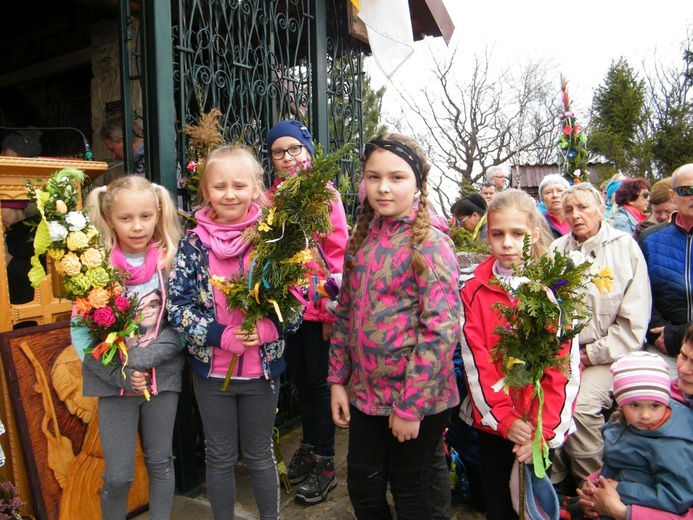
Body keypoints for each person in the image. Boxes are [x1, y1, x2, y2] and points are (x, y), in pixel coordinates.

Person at [328, 133, 461, 519]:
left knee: (411, 491)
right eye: (373, 177)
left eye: (397, 177)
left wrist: (410, 407)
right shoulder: (361, 241)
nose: (383, 187)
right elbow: (345, 313)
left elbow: (440, 331)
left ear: (418, 183)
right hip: (367, 396)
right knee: (363, 487)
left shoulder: (431, 245)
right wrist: (338, 380)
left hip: (415, 400)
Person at [167, 145, 293, 520]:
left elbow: (298, 302)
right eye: (219, 186)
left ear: (256, 189)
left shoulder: (273, 241)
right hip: (213, 374)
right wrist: (219, 335)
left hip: (261, 373)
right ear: (205, 192)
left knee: (259, 454)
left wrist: (270, 327)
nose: (230, 193)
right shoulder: (192, 246)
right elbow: (178, 306)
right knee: (219, 456)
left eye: (240, 184)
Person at [459, 188, 579, 520]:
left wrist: (546, 429)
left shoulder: (556, 288)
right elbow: (476, 361)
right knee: (498, 504)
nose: (507, 243)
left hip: (539, 422)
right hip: (496, 423)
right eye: (498, 234)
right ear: (488, 235)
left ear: (534, 234)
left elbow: (564, 366)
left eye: (517, 234)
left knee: (533, 506)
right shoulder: (473, 289)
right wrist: (504, 419)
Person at [73, 175, 184, 520]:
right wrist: (122, 374)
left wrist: (138, 359)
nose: (137, 227)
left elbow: (181, 329)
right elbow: (82, 339)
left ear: (158, 213)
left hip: (161, 381)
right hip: (113, 387)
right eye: (126, 218)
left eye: (145, 216)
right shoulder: (98, 270)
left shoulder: (172, 264)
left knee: (161, 463)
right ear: (109, 219)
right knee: (119, 475)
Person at [265, 119, 349, 505]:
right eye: (278, 152)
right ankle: (311, 446)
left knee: (319, 383)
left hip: (317, 308)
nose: (287, 158)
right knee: (301, 378)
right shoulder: (271, 197)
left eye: (294, 149)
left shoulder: (324, 194)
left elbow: (337, 255)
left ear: (307, 151)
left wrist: (332, 313)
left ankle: (325, 461)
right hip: (286, 308)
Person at [550, 182, 651, 491]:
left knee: (578, 406)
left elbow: (633, 326)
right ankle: (552, 484)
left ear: (600, 208)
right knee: (542, 398)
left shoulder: (624, 248)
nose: (576, 215)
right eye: (569, 210)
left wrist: (587, 354)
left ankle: (591, 488)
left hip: (608, 357)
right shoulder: (558, 250)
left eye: (583, 207)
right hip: (562, 354)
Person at [577, 327, 693, 520]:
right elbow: (630, 454)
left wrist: (622, 512)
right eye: (683, 356)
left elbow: (678, 498)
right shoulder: (662, 397)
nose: (682, 369)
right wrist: (593, 487)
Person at [640, 164, 693, 372]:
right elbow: (641, 294)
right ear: (673, 196)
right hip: (662, 347)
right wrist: (661, 335)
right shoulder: (650, 239)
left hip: (671, 336)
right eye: (687, 190)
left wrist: (678, 334)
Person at [538, 173, 571, 239]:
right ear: (543, 199)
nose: (555, 195)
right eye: (548, 192)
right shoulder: (539, 224)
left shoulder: (576, 219)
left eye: (559, 191)